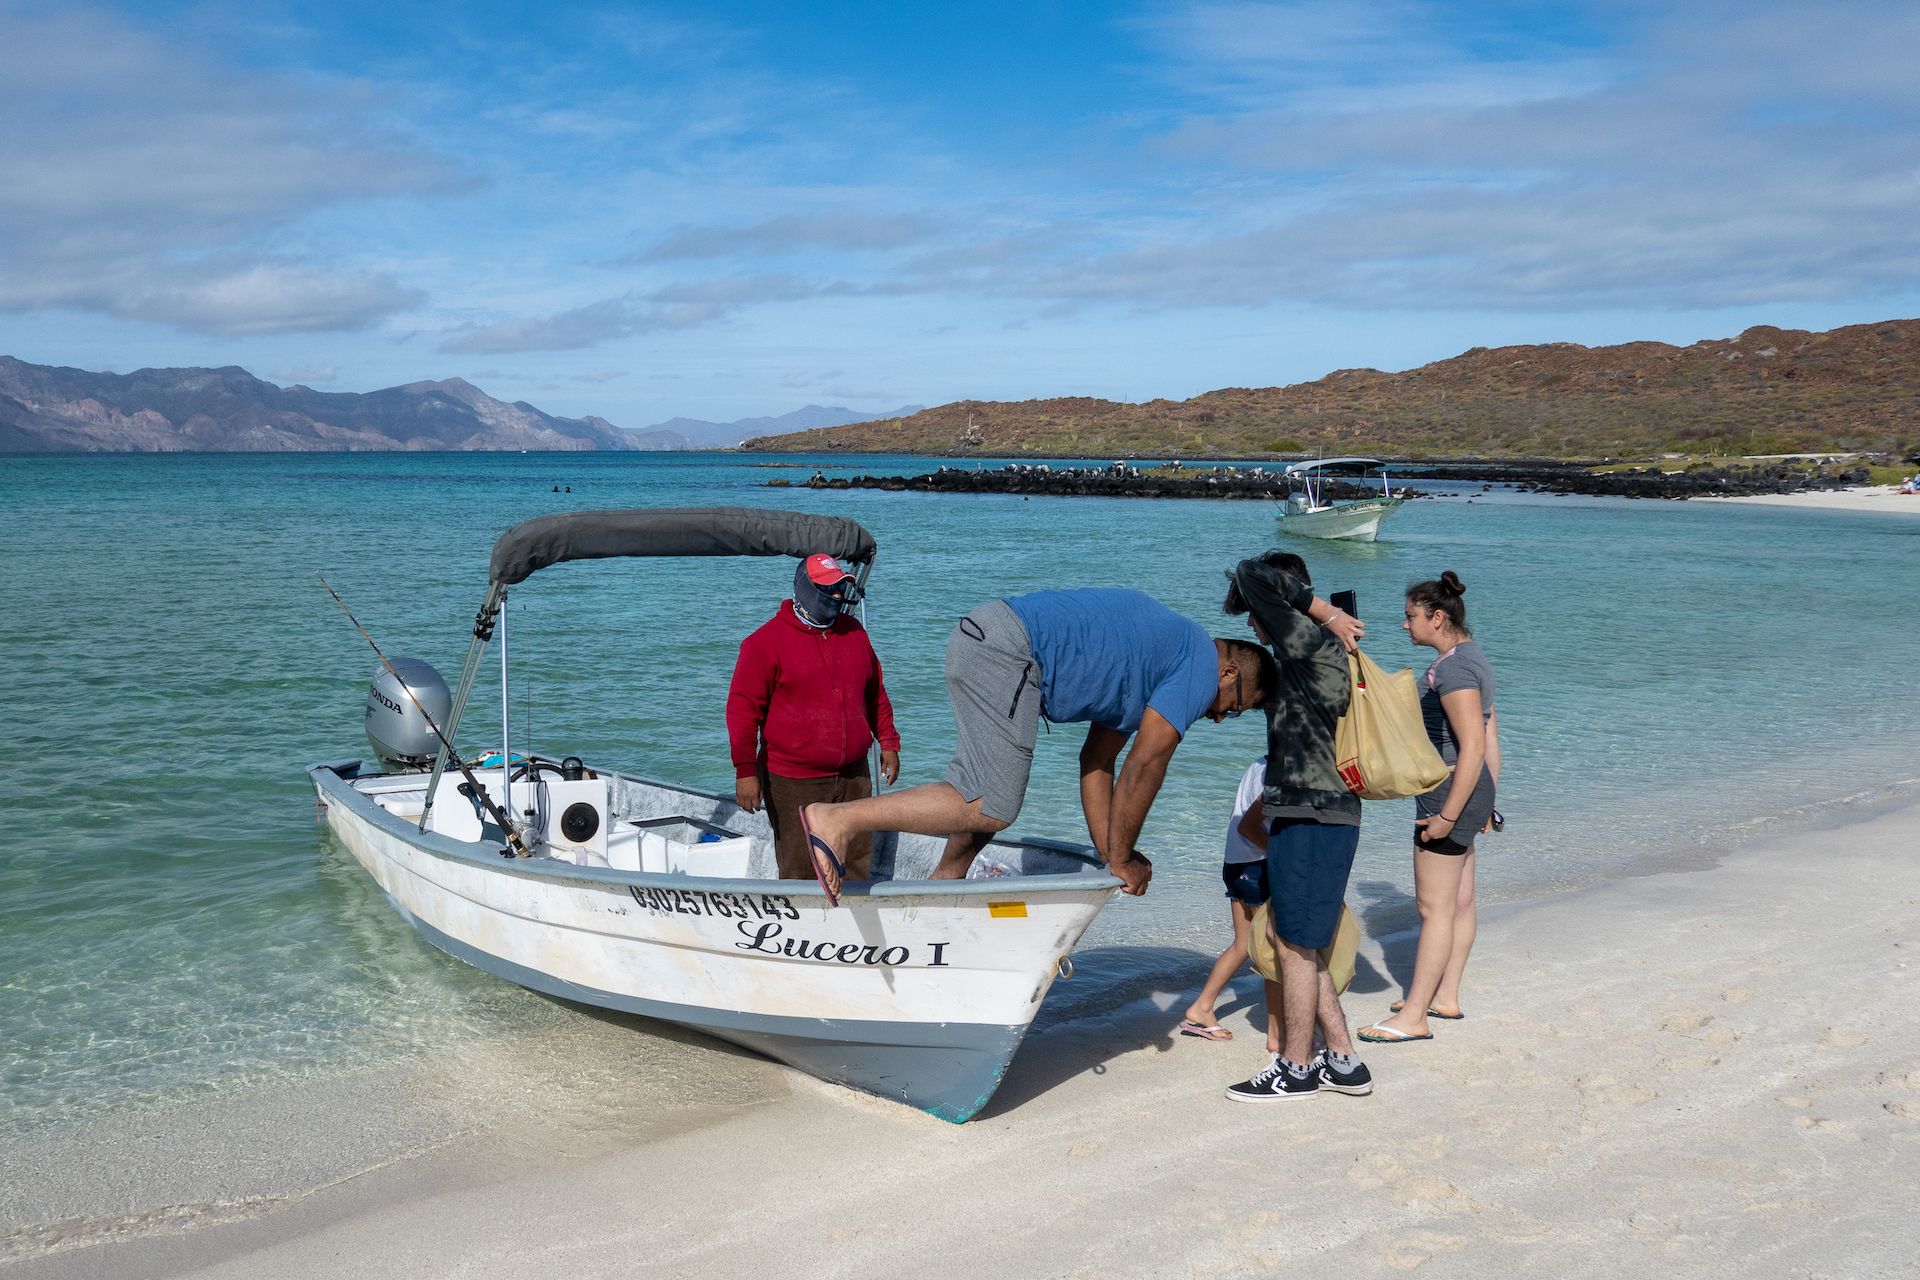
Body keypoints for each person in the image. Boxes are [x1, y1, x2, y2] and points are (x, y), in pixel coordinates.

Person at [796, 588, 1276, 903]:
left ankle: (943, 884)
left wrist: (1112, 854)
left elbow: (1098, 762)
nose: (1217, 717)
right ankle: (837, 819)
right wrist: (1125, 856)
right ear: (1228, 673)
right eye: (1231, 707)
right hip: (1010, 651)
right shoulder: (1196, 665)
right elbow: (1145, 766)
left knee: (985, 792)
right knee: (993, 804)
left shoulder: (1161, 664)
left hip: (989, 637)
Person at [1221, 552, 1373, 1102]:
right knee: (1299, 942)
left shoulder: (1312, 641)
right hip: (1311, 810)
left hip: (1314, 810)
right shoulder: (1313, 653)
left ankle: (1297, 1067)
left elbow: (1249, 572)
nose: (1253, 622)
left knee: (1293, 944)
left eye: (1257, 614)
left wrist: (1321, 611)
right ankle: (1344, 1060)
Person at [1360, 571, 1499, 1045]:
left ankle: (1414, 1015)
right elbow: (1491, 739)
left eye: (1411, 616)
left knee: (1434, 908)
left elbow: (1473, 746)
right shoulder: (1472, 656)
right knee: (1460, 902)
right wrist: (1488, 802)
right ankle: (1445, 997)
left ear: (1437, 618)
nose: (1405, 625)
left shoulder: (1453, 669)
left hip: (1449, 793)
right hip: (1470, 791)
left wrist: (1446, 816)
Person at [727, 554, 901, 882]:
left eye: (840, 587)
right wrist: (745, 771)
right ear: (805, 590)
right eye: (828, 588)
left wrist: (888, 741)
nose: (837, 595)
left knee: (857, 863)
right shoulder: (763, 644)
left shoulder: (855, 634)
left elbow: (875, 691)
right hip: (793, 782)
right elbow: (742, 711)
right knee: (800, 869)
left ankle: (851, 929)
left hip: (855, 776)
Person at [1178, 755, 1274, 1049]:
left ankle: (1201, 1008)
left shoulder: (1259, 762)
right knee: (1272, 948)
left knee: (1243, 945)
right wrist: (1283, 856)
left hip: (1235, 862)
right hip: (1256, 863)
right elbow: (1249, 826)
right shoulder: (1281, 769)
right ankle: (1280, 1031)